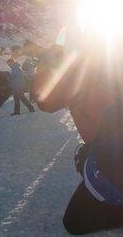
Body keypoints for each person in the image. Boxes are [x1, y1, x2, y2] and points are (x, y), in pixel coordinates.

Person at [34, 41, 123, 235]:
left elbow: (46, 101)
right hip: (107, 155)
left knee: (74, 222)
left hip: (110, 161)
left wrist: (43, 72)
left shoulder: (78, 77)